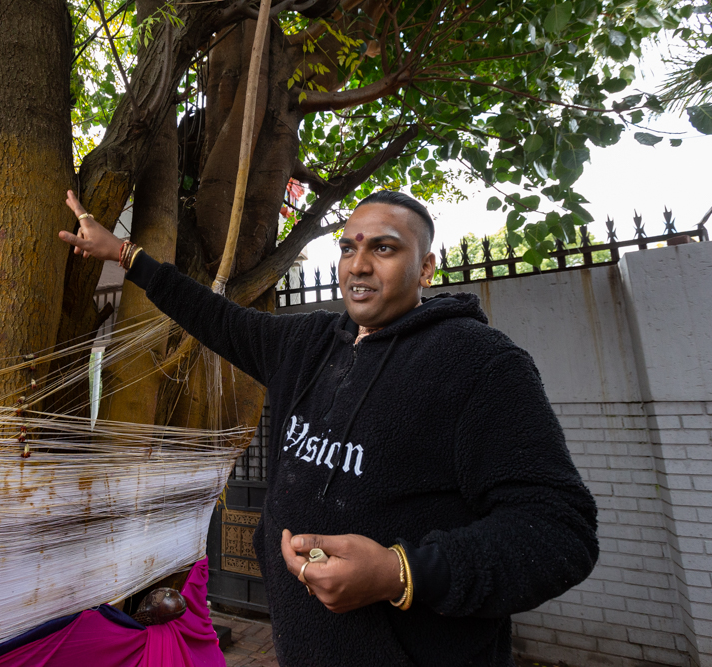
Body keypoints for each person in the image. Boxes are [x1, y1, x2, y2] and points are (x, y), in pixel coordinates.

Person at [58, 189, 598, 667]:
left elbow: (559, 532)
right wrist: (126, 255)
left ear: (427, 267)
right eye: (347, 247)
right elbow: (215, 317)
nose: (358, 265)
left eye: (383, 248)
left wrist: (399, 573)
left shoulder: (479, 365)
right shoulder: (310, 344)